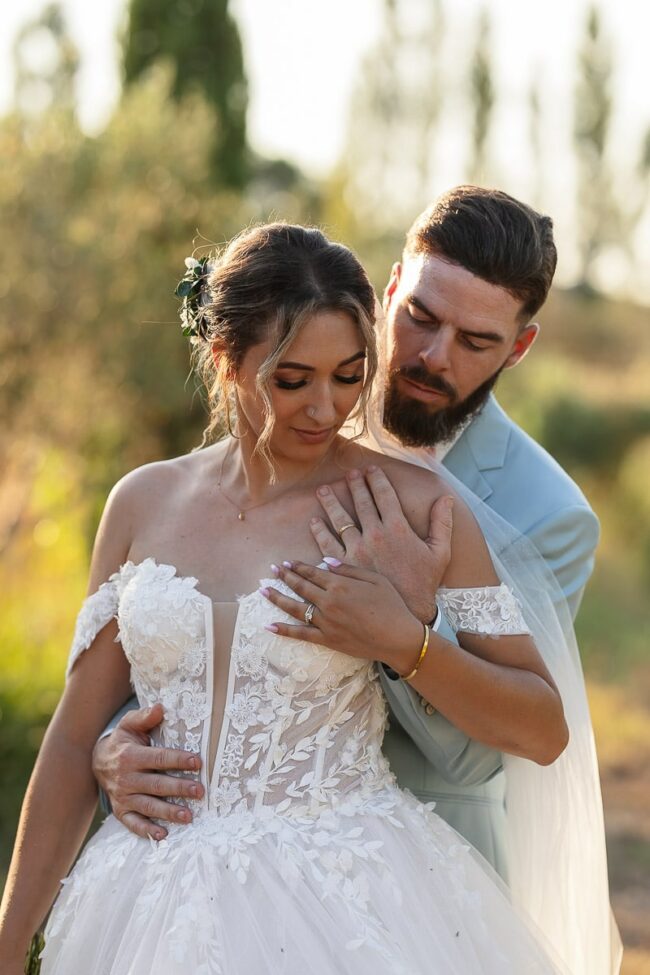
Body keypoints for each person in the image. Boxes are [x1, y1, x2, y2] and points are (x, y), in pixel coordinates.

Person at [0, 222, 571, 974]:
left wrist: (405, 639)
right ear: (224, 359)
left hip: (347, 905)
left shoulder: (410, 504)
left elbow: (543, 726)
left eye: (349, 374)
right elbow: (75, 739)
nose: (325, 407)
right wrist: (9, 945)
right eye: (292, 378)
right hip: (145, 903)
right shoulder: (141, 501)